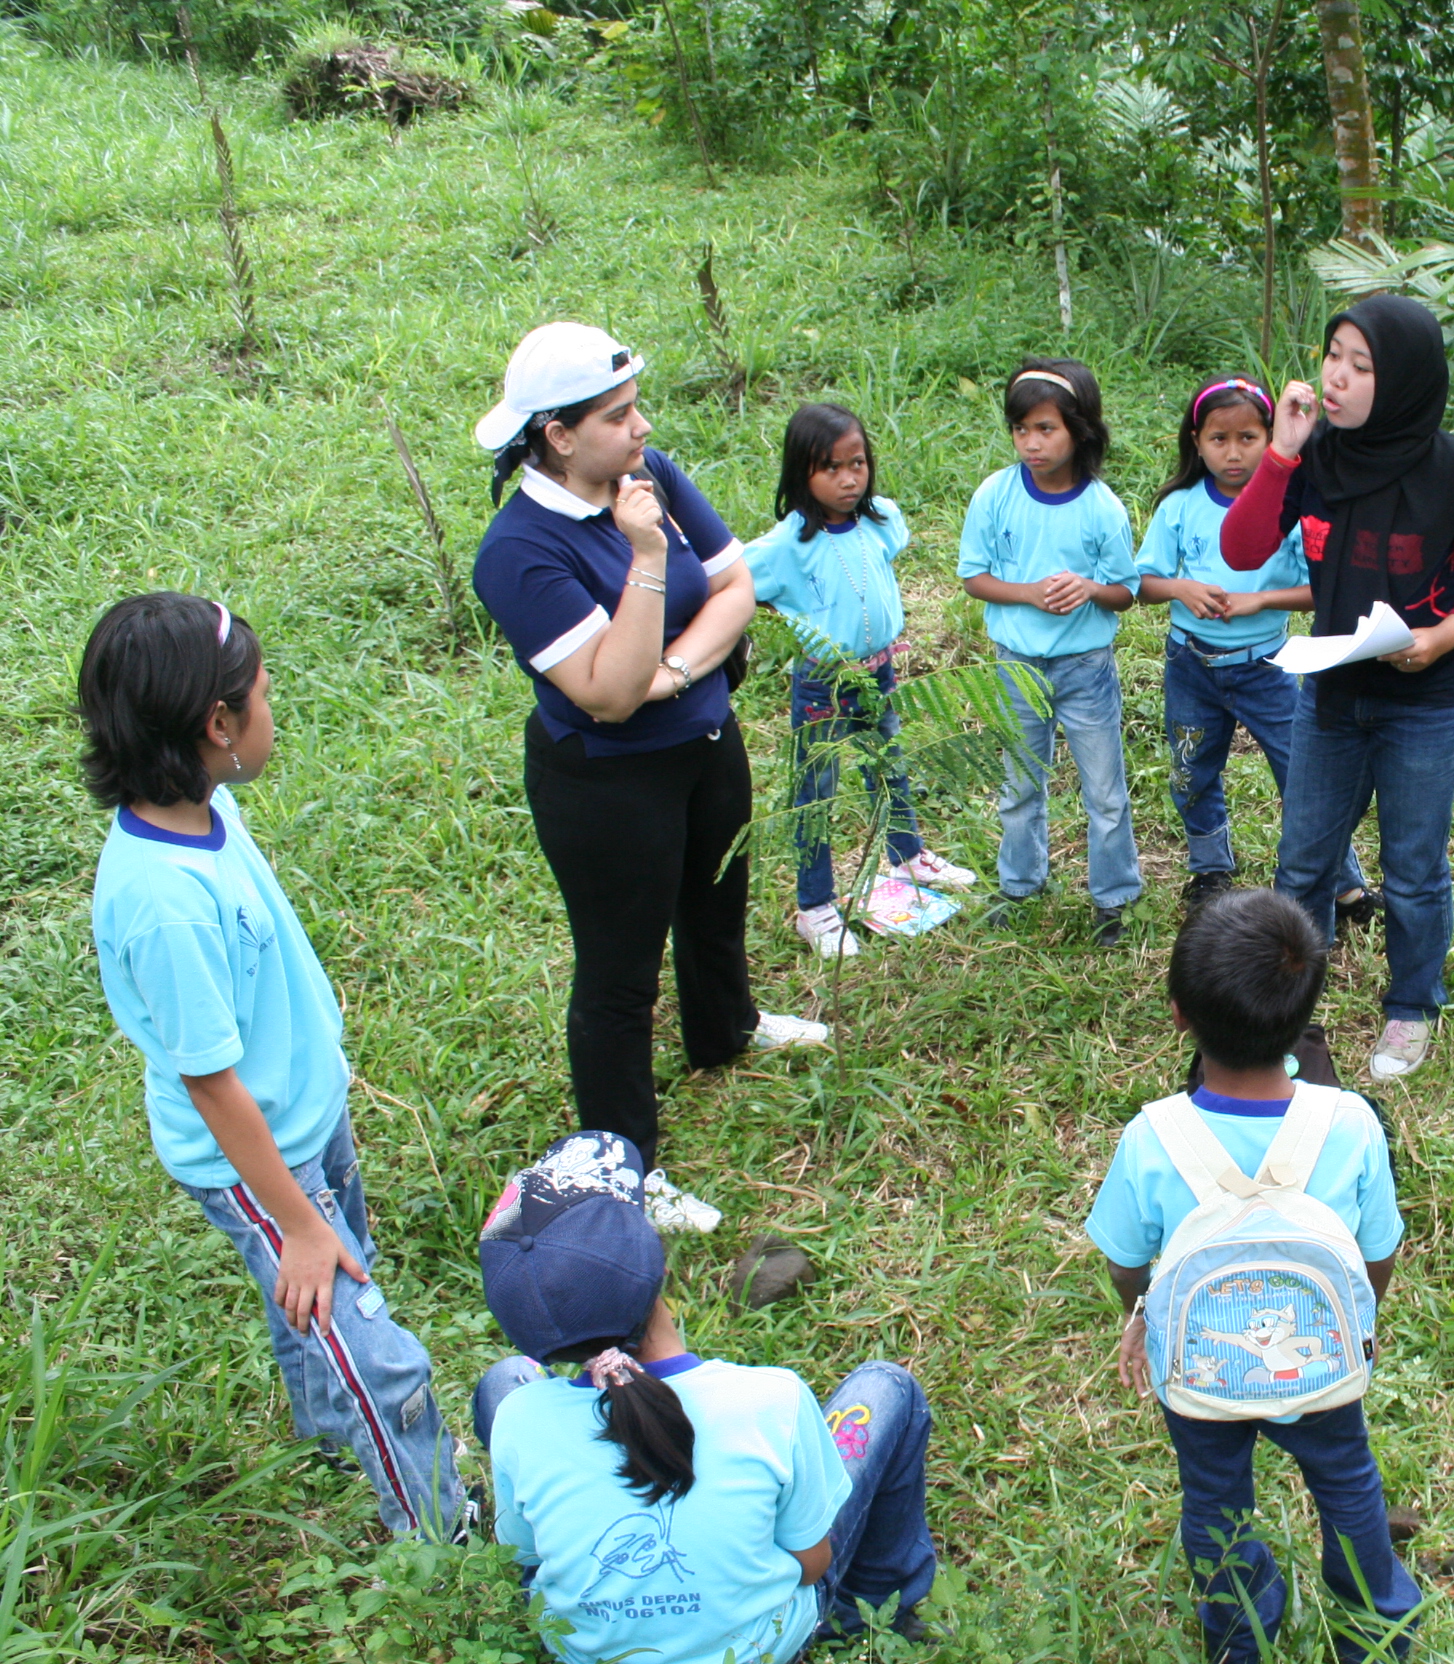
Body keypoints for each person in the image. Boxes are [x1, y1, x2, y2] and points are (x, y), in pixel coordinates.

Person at [79, 593, 467, 1540]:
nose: (272, 709)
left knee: (326, 1300)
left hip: (305, 1111)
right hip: (260, 1158)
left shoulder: (206, 807)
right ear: (218, 725)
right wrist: (296, 1222)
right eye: (261, 695)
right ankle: (446, 1540)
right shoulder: (161, 900)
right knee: (378, 1352)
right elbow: (212, 1086)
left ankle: (332, 1432)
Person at [472, 322, 826, 1234]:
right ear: (557, 433)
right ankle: (623, 1166)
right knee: (619, 977)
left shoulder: (651, 473)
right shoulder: (519, 552)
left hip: (703, 743)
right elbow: (608, 693)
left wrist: (675, 674)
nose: (642, 428)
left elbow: (738, 585)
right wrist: (646, 561)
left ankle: (728, 1028)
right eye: (619, 415)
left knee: (716, 899)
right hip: (606, 784)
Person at [1087, 889, 1419, 1663]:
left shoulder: (1152, 1137)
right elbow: (1379, 1252)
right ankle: (1375, 1628)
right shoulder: (1350, 1123)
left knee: (1214, 1503)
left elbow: (1125, 1261)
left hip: (1202, 1372)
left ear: (1178, 1014)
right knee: (1347, 1488)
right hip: (1320, 1358)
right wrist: (1361, 1318)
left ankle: (1240, 1634)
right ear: (1306, 1012)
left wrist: (1143, 1314)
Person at [473, 1131, 939, 1663]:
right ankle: (868, 1617)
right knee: (887, 1387)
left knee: (503, 1380)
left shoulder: (521, 1421)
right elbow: (810, 1563)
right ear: (660, 1269)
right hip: (757, 1649)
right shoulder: (771, 1401)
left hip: (589, 1652)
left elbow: (525, 1553)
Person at [1222, 294, 1454, 1081]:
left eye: (1361, 367)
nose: (1337, 377)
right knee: (1301, 863)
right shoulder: (1316, 455)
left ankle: (1412, 1007)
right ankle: (1286, 1013)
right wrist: (1282, 453)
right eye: (1333, 355)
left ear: (1402, 382)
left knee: (1414, 867)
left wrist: (1443, 636)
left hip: (1424, 706)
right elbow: (1242, 549)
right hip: (1331, 696)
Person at [744, 402, 977, 960]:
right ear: (802, 471)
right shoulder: (783, 548)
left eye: (858, 463)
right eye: (831, 468)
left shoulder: (880, 520)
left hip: (881, 672)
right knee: (815, 791)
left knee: (888, 764)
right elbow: (728, 582)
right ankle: (815, 906)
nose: (849, 479)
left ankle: (907, 855)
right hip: (824, 683)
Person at [1137, 376, 1371, 919]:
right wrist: (1181, 588)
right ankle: (1211, 868)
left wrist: (1259, 601)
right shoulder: (1179, 507)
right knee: (1191, 768)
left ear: (1272, 437)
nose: (1233, 452)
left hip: (1270, 667)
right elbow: (1142, 583)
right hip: (1190, 663)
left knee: (1304, 774)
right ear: (1196, 442)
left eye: (1248, 437)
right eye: (1219, 439)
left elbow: (1322, 590)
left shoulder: (1290, 507)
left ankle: (1341, 881)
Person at [956, 356, 1143, 946]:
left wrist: (1089, 588)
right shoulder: (996, 495)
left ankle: (1116, 898)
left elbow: (1126, 592)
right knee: (1017, 784)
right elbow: (973, 577)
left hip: (1085, 668)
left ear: (1079, 429)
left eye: (1046, 429)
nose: (1031, 443)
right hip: (1016, 662)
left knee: (1104, 790)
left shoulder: (1102, 509)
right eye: (1020, 429)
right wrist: (1028, 595)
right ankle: (1019, 883)